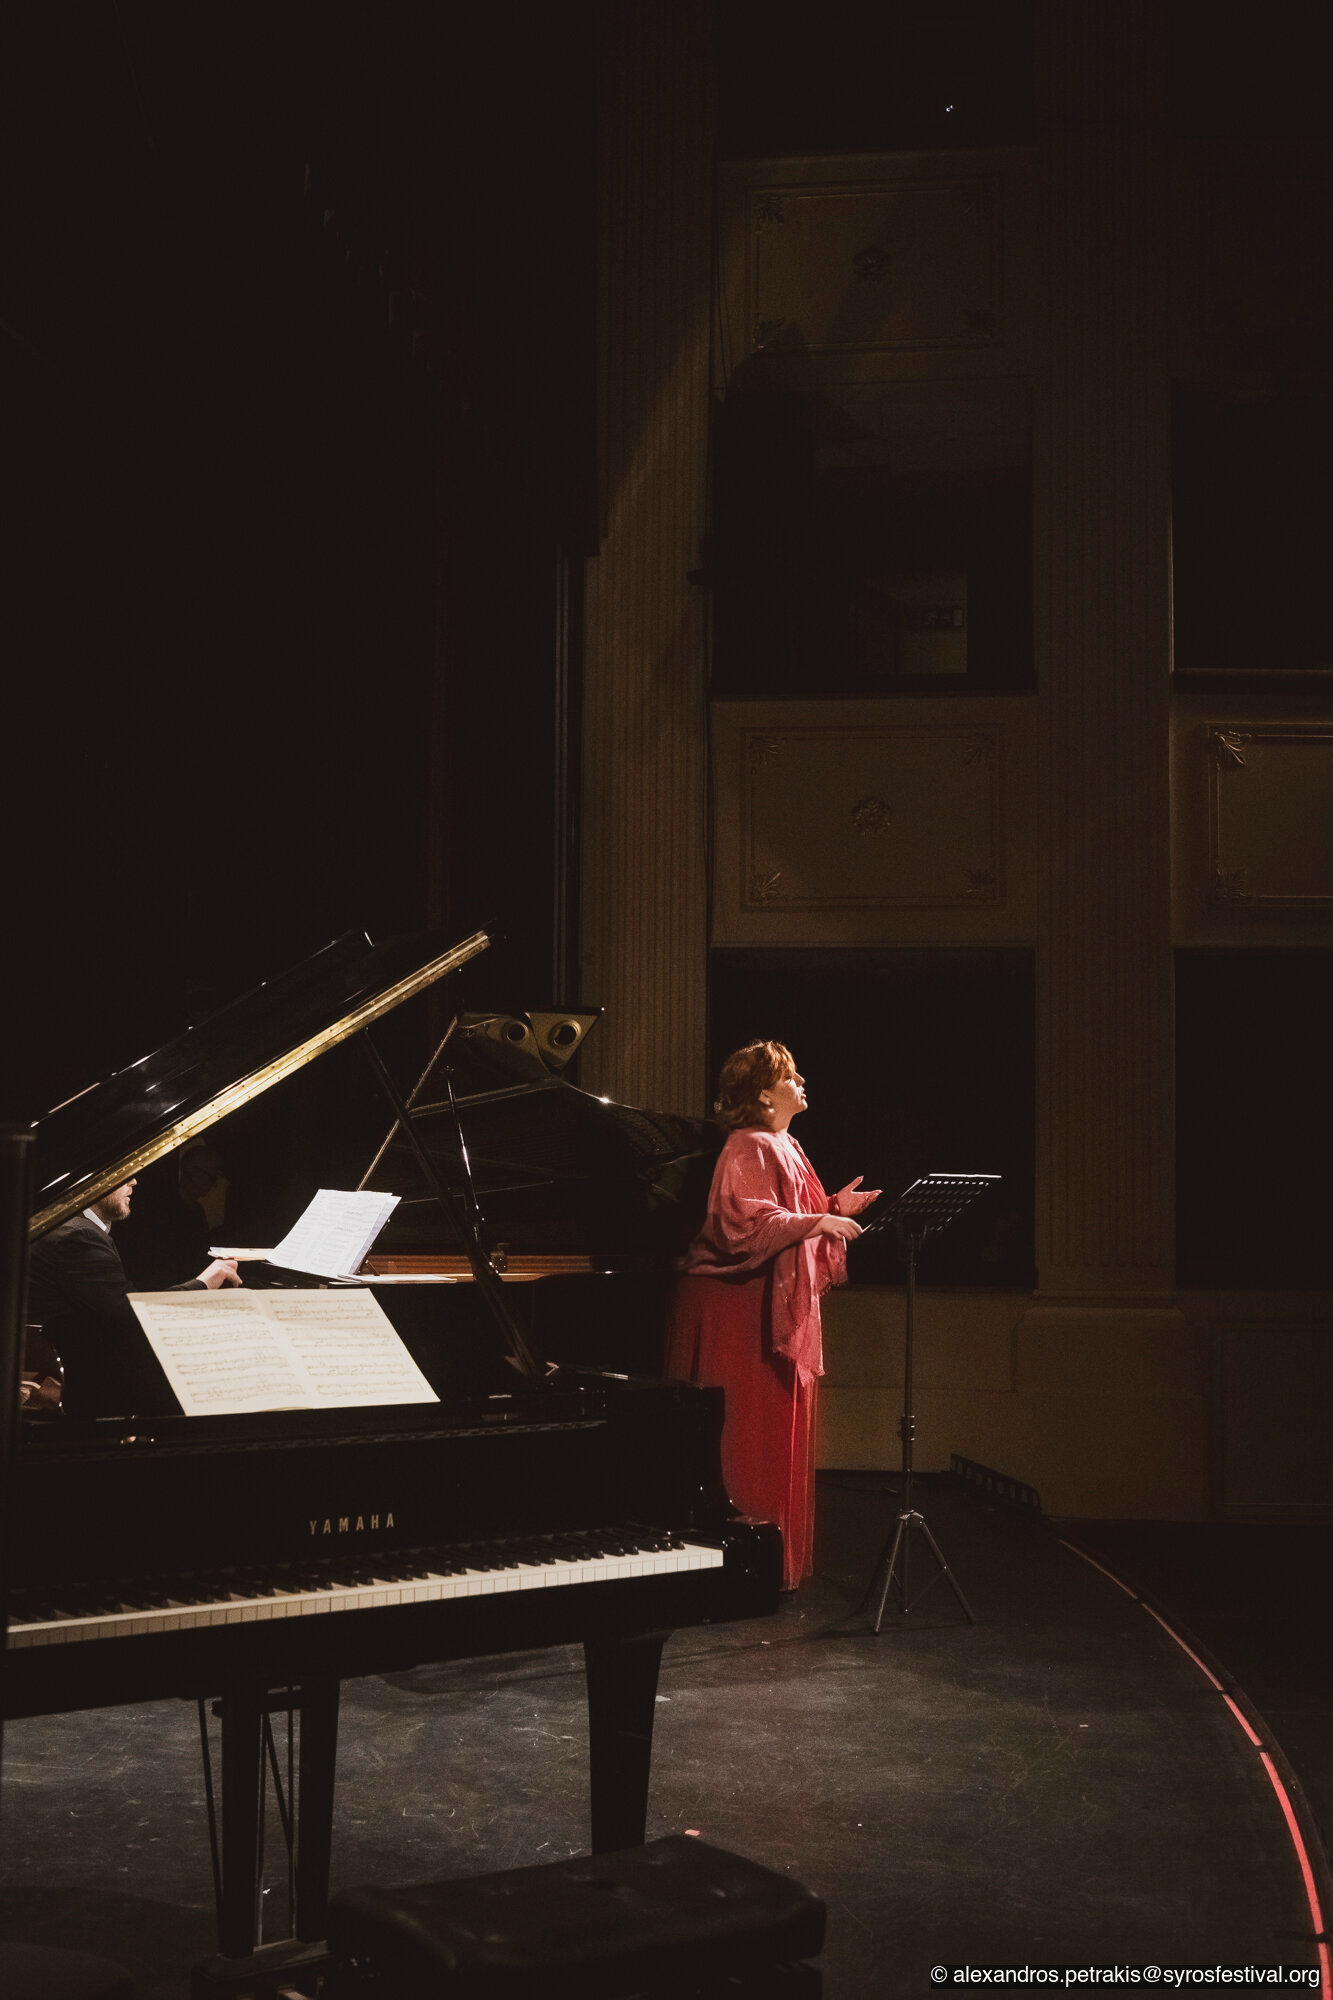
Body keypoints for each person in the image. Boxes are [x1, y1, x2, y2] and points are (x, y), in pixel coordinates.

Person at [664, 1042, 879, 1591]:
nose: (802, 1079)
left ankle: (766, 1564)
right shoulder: (750, 1143)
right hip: (738, 1306)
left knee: (775, 1424)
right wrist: (816, 1223)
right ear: (763, 1093)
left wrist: (830, 1209)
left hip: (762, 1298)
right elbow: (743, 1223)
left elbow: (789, 1216)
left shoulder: (785, 1142)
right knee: (747, 1429)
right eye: (789, 1074)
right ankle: (735, 1568)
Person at [26, 1177, 241, 1414]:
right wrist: (203, 1284)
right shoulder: (77, 1235)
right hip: (78, 1378)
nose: (134, 1181)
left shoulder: (73, 1227)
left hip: (72, 1363)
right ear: (93, 1182)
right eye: (122, 1173)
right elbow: (130, 1314)